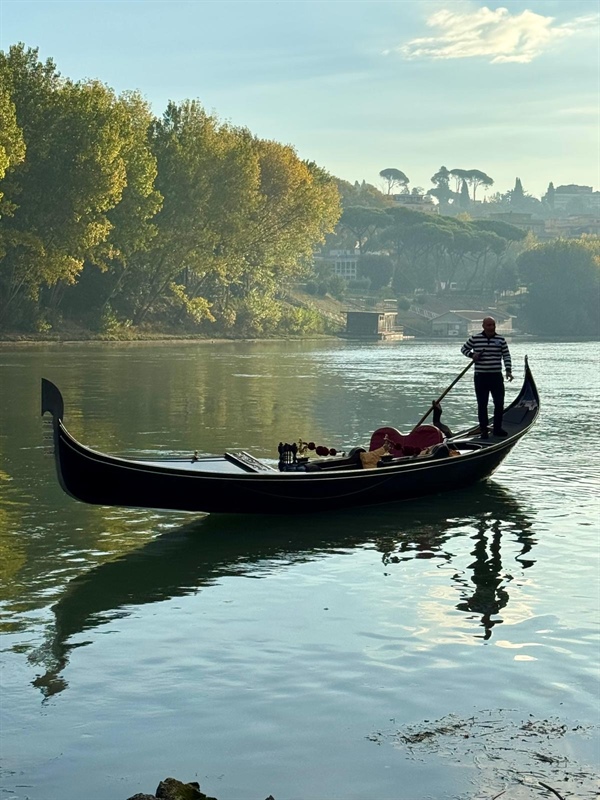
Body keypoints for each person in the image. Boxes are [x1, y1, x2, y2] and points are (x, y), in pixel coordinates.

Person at [461, 317, 513, 439]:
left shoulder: (501, 339)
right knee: (482, 404)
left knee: (499, 403)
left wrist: (508, 370)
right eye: (488, 325)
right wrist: (472, 355)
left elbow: (506, 355)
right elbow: (463, 349)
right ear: (483, 326)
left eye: (493, 325)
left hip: (496, 376)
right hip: (481, 377)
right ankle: (483, 430)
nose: (491, 327)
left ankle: (497, 428)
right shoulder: (475, 338)